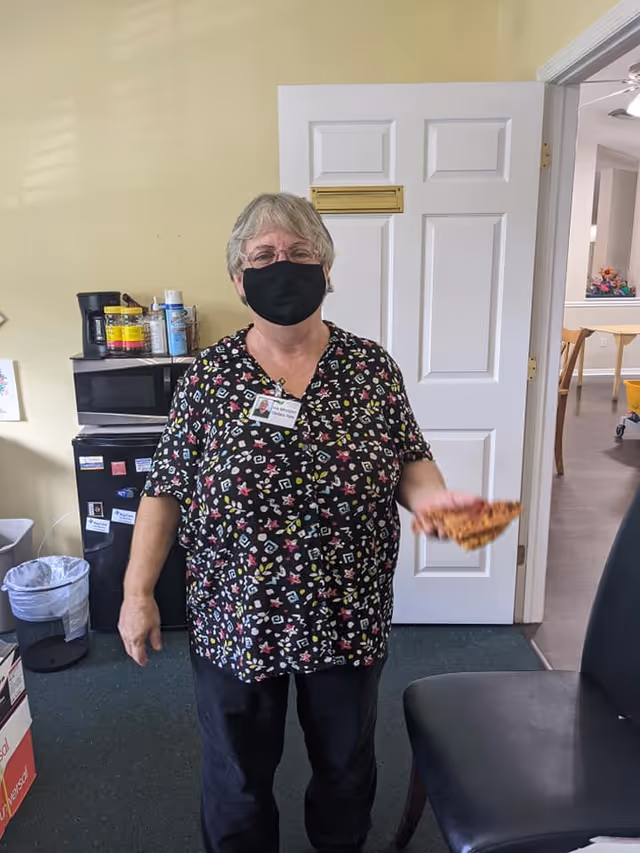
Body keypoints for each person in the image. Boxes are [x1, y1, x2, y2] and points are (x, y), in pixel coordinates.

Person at [118, 193, 481, 853]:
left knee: (345, 772)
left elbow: (410, 460)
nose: (281, 266)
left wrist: (433, 500)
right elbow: (164, 489)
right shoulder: (209, 379)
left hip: (345, 615)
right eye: (263, 257)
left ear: (326, 268)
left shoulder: (371, 369)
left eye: (298, 254)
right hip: (237, 615)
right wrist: (136, 592)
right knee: (237, 780)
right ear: (239, 277)